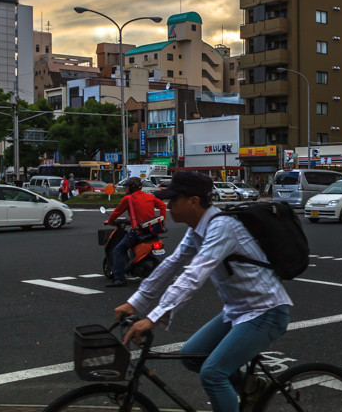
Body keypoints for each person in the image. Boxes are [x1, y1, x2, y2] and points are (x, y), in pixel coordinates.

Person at [114, 171, 292, 412]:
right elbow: (171, 264)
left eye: (173, 200)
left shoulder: (222, 227)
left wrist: (153, 317)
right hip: (238, 310)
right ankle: (253, 387)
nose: (168, 206)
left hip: (266, 310)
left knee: (213, 374)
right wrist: (135, 303)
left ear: (193, 201)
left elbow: (194, 275)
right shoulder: (197, 227)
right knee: (191, 355)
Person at [103, 177, 167, 288]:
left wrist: (109, 221)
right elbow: (162, 205)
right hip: (151, 231)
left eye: (126, 187)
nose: (125, 189)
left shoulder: (128, 199)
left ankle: (119, 279)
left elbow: (116, 212)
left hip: (138, 231)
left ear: (131, 188)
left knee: (118, 250)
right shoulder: (149, 197)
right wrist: (161, 220)